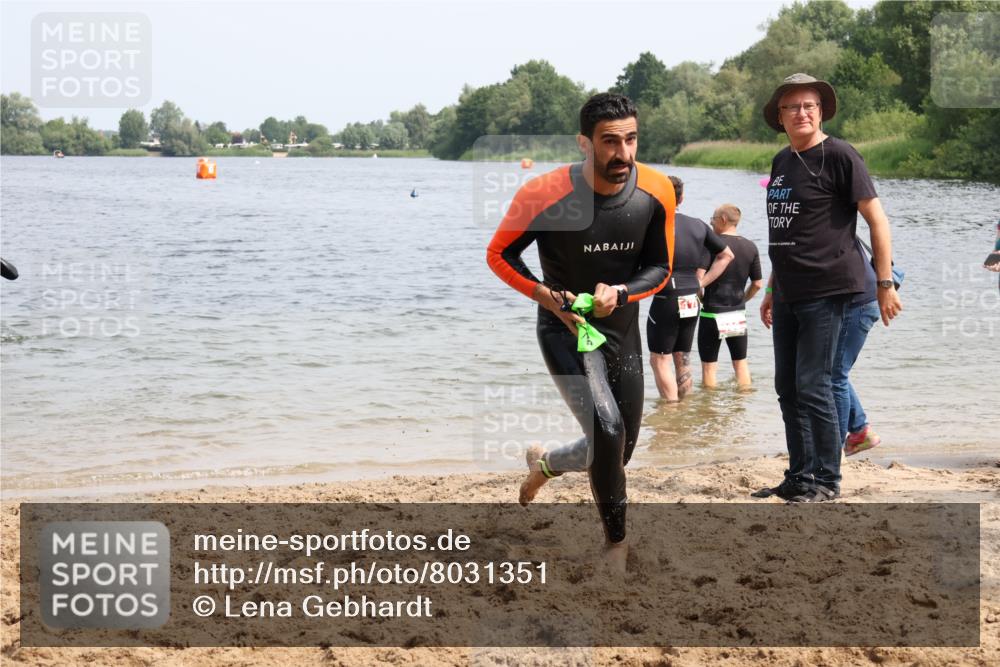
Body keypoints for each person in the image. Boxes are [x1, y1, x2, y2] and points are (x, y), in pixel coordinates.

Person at [486, 93, 676, 572]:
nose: (623, 153)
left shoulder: (656, 190)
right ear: (585, 144)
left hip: (621, 331)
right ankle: (616, 545)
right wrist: (546, 295)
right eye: (610, 141)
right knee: (607, 433)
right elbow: (499, 254)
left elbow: (661, 267)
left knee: (618, 450)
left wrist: (623, 293)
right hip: (564, 329)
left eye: (631, 139)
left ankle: (546, 464)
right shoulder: (544, 193)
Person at [753, 73, 902, 503]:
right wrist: (770, 290)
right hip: (789, 292)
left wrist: (885, 282)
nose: (801, 113)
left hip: (830, 288)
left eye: (809, 106)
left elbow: (877, 221)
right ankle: (799, 475)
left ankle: (826, 479)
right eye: (792, 107)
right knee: (787, 387)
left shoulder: (840, 155)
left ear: (820, 113)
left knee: (815, 383)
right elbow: (786, 233)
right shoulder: (781, 161)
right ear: (780, 116)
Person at [646, 176, 733, 401]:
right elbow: (726, 255)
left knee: (659, 359)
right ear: (681, 198)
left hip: (666, 298)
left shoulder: (653, 224)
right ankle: (685, 410)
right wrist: (700, 283)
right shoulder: (698, 224)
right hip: (691, 297)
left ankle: (672, 411)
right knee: (682, 356)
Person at [697, 204, 763, 388]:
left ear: (723, 219)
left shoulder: (711, 245)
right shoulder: (751, 246)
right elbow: (757, 284)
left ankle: (709, 403)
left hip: (712, 313)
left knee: (709, 368)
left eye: (713, 219)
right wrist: (743, 300)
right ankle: (743, 403)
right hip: (736, 314)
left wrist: (701, 298)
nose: (711, 223)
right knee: (740, 363)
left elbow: (698, 280)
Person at [833, 239, 882, 456]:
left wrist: (887, 286)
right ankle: (860, 430)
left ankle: (835, 449)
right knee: (834, 373)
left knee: (835, 375)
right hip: (858, 300)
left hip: (859, 302)